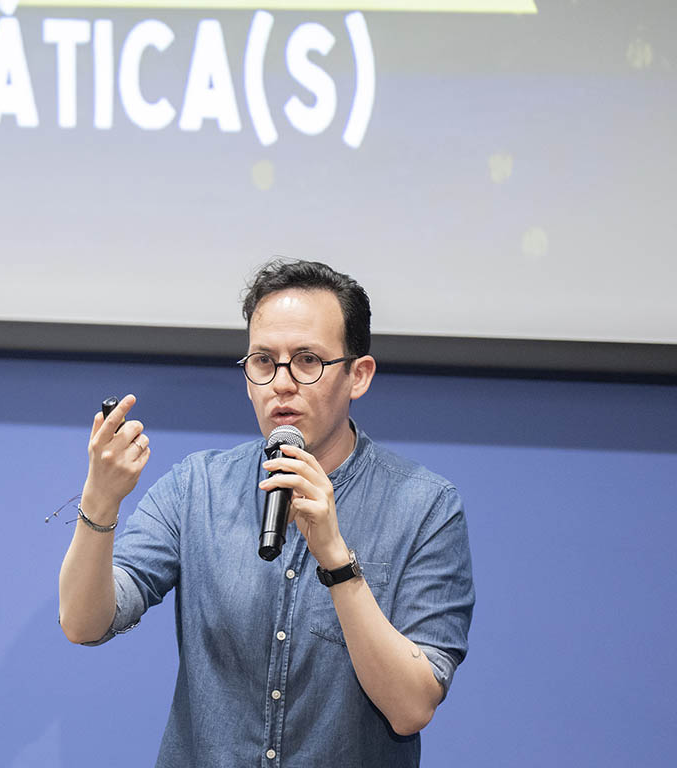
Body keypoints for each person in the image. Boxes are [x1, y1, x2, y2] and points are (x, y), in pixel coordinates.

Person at [57, 259, 474, 767]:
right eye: (263, 361)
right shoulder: (197, 487)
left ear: (358, 375)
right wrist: (101, 501)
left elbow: (411, 708)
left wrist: (336, 561)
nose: (281, 383)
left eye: (307, 361)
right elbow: (84, 623)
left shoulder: (424, 506)